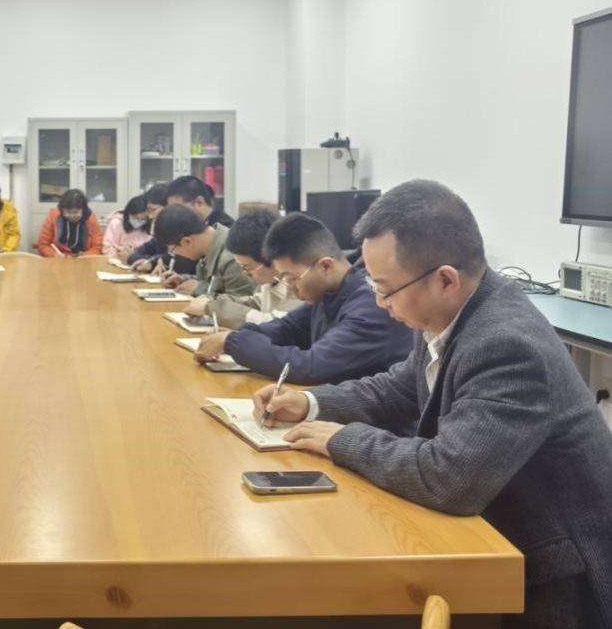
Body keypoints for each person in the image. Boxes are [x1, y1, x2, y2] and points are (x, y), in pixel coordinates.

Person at [255, 181, 612, 628]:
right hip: (498, 538)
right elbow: (397, 390)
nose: (380, 303)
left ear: (445, 279)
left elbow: (451, 477)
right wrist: (309, 402)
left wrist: (340, 440)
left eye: (385, 289)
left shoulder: (507, 344)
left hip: (557, 575)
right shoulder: (449, 312)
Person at [193, 212, 412, 383]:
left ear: (325, 266)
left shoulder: (371, 305)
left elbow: (311, 367)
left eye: (292, 278)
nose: (290, 288)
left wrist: (233, 343)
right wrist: (235, 337)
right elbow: (287, 328)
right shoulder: (330, 293)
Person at [183, 209, 302, 328]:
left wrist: (214, 308)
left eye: (248, 268)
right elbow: (257, 303)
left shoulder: (301, 285)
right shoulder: (273, 279)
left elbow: (274, 324)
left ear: (272, 258)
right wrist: (215, 301)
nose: (245, 274)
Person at [151, 205, 255, 302]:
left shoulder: (233, 256)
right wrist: (182, 279)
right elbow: (213, 282)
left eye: (173, 250)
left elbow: (240, 303)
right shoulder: (208, 246)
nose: (175, 254)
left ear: (187, 241)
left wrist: (199, 289)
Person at [160, 175, 234, 289]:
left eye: (178, 208)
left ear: (199, 202)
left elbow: (236, 296)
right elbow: (206, 279)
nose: (174, 214)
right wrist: (183, 279)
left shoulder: (227, 232)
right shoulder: (195, 229)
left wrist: (199, 288)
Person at [128, 184, 197, 274]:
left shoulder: (185, 233)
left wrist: (153, 261)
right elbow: (135, 255)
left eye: (153, 210)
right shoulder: (161, 232)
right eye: (148, 210)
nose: (150, 216)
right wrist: (153, 261)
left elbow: (175, 259)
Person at [37, 189, 103, 257]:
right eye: (68, 212)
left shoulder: (91, 220)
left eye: (76, 212)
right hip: (59, 259)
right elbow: (43, 245)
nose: (72, 216)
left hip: (84, 259)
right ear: (62, 210)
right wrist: (54, 255)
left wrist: (84, 256)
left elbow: (97, 248)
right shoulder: (54, 217)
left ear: (83, 210)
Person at [102, 195, 152, 260]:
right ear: (128, 214)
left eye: (142, 219)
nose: (138, 222)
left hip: (140, 261)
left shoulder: (150, 226)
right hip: (118, 260)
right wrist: (119, 256)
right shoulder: (116, 223)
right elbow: (107, 248)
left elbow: (151, 250)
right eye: (135, 218)